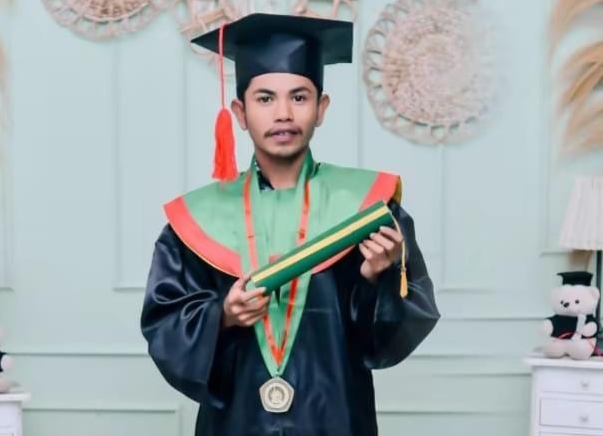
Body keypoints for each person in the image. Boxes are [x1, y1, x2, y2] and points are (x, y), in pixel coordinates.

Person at [140, 13, 440, 436]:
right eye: (265, 99)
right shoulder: (195, 221)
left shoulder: (369, 208)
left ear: (321, 109)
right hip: (236, 420)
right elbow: (165, 326)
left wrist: (378, 278)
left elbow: (386, 341)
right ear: (240, 113)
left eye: (299, 97)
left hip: (336, 417)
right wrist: (222, 316)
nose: (283, 113)